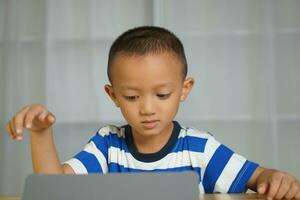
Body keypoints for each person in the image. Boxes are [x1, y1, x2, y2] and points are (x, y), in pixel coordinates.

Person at [6, 26, 300, 199]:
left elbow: (259, 177)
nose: (147, 108)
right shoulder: (107, 146)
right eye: (132, 96)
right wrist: (42, 134)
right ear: (113, 95)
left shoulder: (200, 149)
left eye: (162, 95)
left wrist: (277, 178)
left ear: (184, 90)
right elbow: (57, 190)